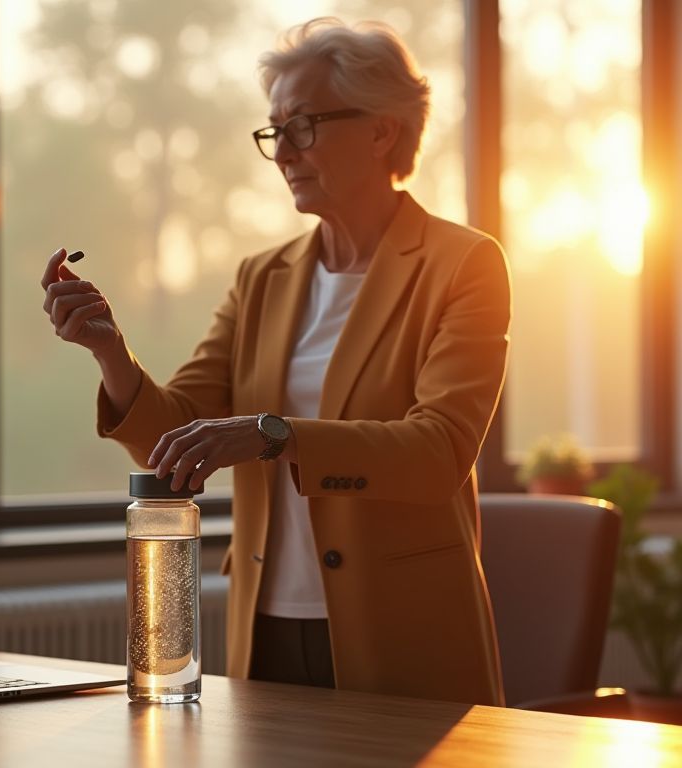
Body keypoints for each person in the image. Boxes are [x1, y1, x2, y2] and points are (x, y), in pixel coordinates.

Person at [41, 17, 509, 706]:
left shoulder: (462, 264)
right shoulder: (262, 277)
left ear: (383, 130)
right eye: (275, 130)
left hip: (405, 633)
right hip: (267, 625)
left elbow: (439, 450)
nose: (283, 151)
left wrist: (273, 434)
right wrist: (110, 349)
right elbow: (178, 434)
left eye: (304, 125)